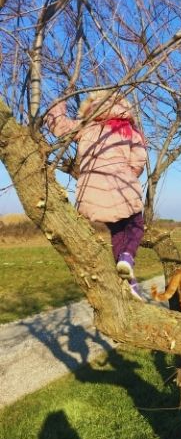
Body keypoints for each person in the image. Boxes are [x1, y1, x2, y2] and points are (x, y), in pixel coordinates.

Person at [45, 91, 147, 300]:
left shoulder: (87, 127)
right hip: (121, 187)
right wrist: (130, 175)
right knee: (135, 223)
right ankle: (127, 256)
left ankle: (128, 281)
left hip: (90, 191)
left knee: (117, 228)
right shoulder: (129, 131)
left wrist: (58, 104)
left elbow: (60, 127)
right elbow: (139, 160)